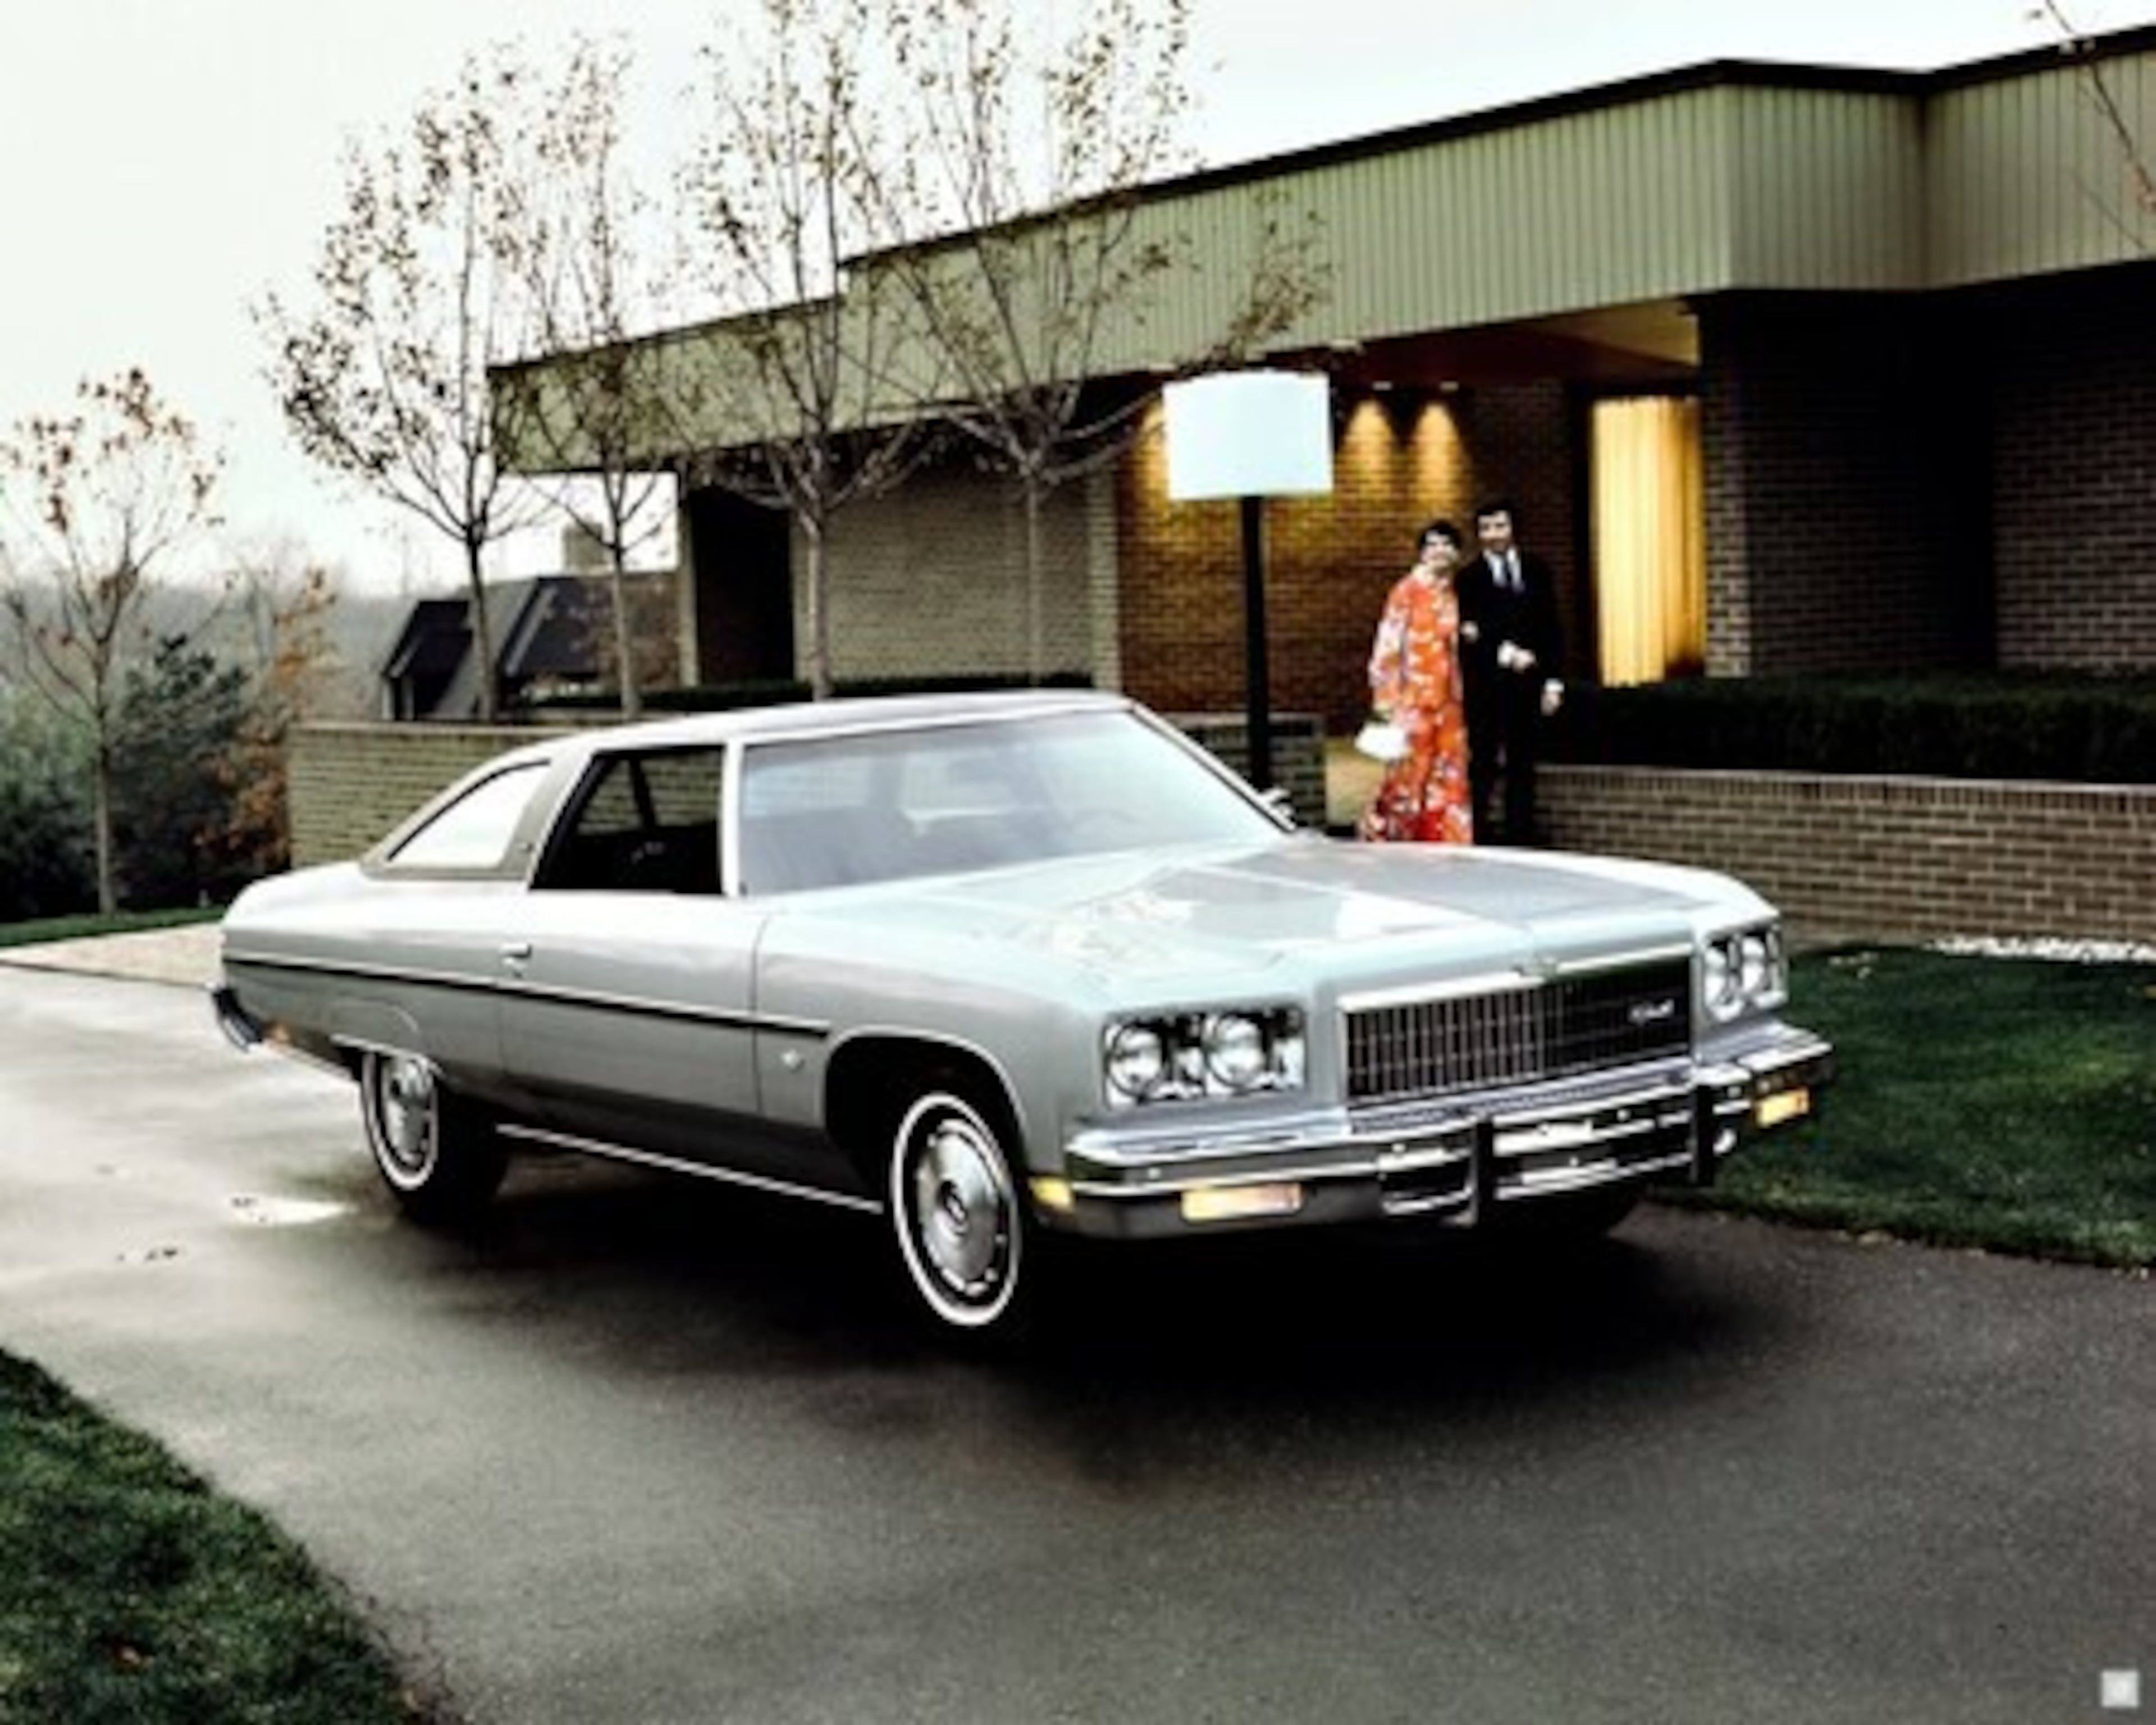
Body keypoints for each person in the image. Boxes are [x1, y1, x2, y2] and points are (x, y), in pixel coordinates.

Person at [1358, 519, 1474, 845]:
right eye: (1432, 545)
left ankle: (1445, 840)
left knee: (1448, 773)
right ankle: (1397, 837)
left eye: (1447, 545)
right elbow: (1388, 645)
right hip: (1411, 699)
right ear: (1422, 552)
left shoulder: (1457, 592)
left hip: (1450, 700)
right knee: (1409, 773)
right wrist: (1386, 700)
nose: (1440, 551)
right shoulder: (1406, 591)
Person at [1456, 499, 1564, 845]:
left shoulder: (1537, 570)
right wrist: (1504, 653)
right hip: (1487, 688)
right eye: (1486, 528)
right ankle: (1479, 835)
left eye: (1500, 526)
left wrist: (1553, 682)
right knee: (1484, 763)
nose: (1493, 535)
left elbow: (1552, 627)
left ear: (1513, 528)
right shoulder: (1468, 579)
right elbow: (1466, 635)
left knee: (1523, 763)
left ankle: (1521, 835)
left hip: (1529, 686)